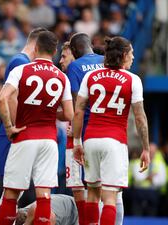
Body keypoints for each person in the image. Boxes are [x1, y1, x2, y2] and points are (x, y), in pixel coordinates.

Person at [0, 31, 74, 225]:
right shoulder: (62, 77)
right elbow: (69, 114)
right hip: (49, 140)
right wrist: (47, 113)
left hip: (25, 136)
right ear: (55, 51)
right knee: (44, 194)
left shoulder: (22, 70)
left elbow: (2, 98)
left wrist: (9, 126)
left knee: (11, 193)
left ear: (36, 48)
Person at [72, 36, 150, 225]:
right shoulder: (133, 80)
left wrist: (76, 142)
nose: (133, 57)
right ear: (123, 55)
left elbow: (79, 110)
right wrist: (146, 148)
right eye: (131, 53)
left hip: (91, 140)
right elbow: (140, 117)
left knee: (92, 194)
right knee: (110, 197)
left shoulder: (91, 77)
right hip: (115, 141)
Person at [67, 33, 124, 225]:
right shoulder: (105, 61)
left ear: (74, 51)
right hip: (114, 128)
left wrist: (76, 137)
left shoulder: (75, 66)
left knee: (93, 189)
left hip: (90, 130)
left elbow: (77, 105)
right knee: (114, 191)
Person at [0, 27, 47, 224]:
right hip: (14, 132)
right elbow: (9, 98)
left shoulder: (22, 62)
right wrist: (16, 126)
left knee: (16, 190)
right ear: (38, 46)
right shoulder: (20, 62)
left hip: (16, 132)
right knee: (11, 190)